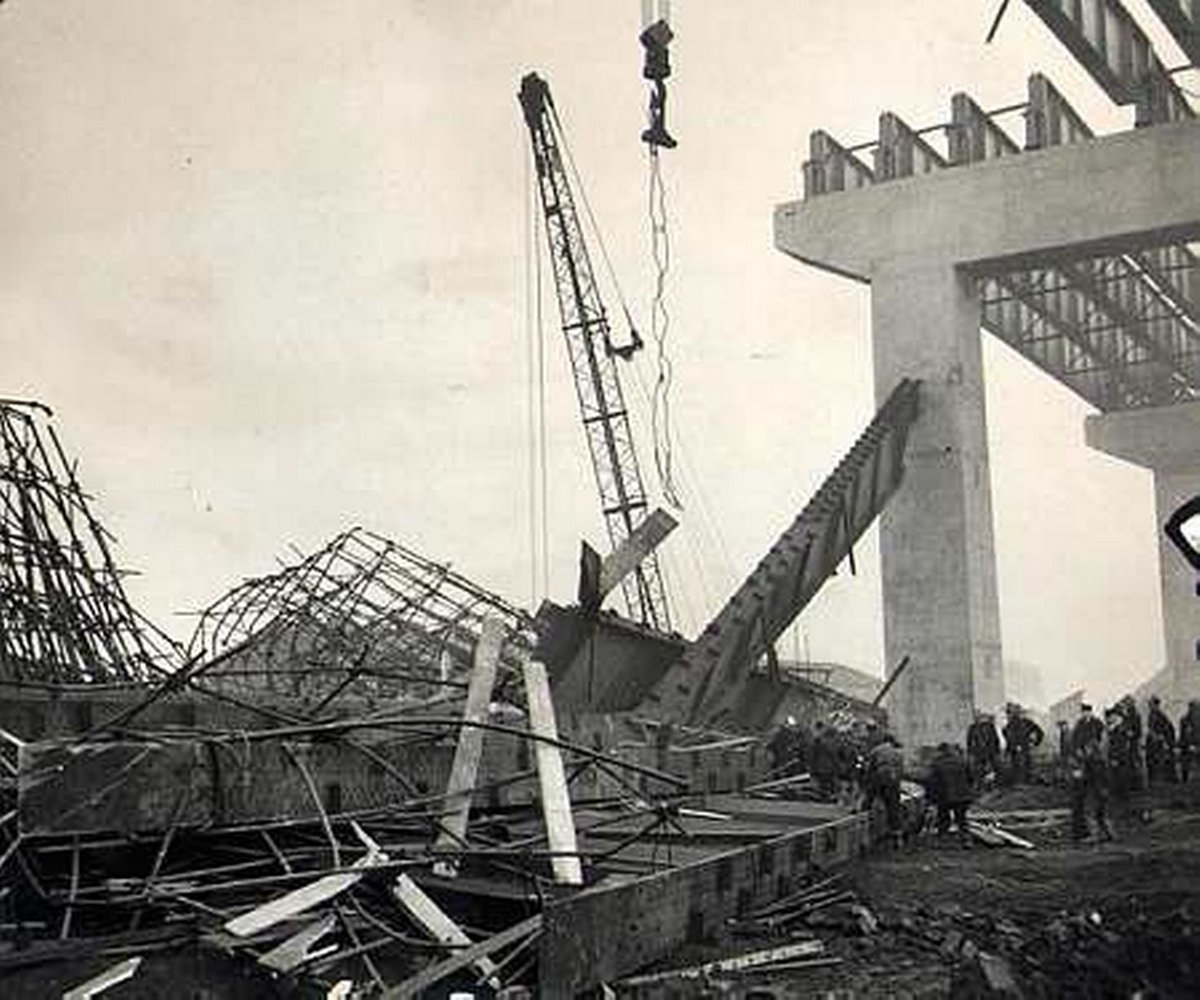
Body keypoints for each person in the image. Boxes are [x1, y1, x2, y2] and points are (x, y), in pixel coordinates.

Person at [1069, 703, 1113, 842]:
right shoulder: (1079, 725)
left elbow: (1101, 745)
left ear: (1090, 712)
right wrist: (1078, 753)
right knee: (1087, 801)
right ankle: (1097, 832)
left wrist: (1091, 752)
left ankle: (1100, 833)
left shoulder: (1097, 724)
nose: (1085, 714)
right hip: (1086, 767)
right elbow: (1074, 743)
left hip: (1095, 770)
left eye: (1087, 711)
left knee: (1096, 803)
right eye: (1083, 712)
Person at [862, 733, 905, 846]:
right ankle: (897, 836)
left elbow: (870, 767)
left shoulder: (876, 750)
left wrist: (867, 783)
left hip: (879, 777)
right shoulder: (898, 753)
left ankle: (863, 824)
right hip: (893, 780)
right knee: (894, 807)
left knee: (868, 802)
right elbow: (901, 770)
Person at [927, 742, 973, 843]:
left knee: (943, 818)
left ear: (940, 752)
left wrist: (931, 797)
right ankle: (966, 840)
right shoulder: (962, 761)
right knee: (961, 819)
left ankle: (942, 839)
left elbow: (931, 781)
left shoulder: (936, 763)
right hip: (962, 795)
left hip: (945, 796)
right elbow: (970, 778)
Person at [1002, 703, 1044, 784]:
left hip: (1024, 752)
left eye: (1010, 713)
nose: (1008, 716)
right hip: (1015, 755)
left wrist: (1035, 743)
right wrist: (1007, 752)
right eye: (1008, 713)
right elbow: (1009, 741)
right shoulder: (1007, 728)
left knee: (1025, 772)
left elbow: (1040, 732)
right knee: (1017, 773)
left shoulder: (1026, 723)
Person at [1145, 696, 1177, 785]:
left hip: (1161, 742)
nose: (1150, 706)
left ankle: (1168, 779)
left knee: (1164, 760)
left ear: (1157, 705)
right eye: (1149, 705)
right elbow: (1151, 728)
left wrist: (1162, 738)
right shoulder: (1151, 715)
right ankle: (1155, 779)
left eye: (1152, 704)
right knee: (1152, 760)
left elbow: (1168, 729)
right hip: (1154, 741)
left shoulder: (1161, 716)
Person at [966, 710, 1001, 788]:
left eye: (980, 717)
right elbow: (969, 741)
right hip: (978, 752)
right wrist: (970, 751)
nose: (979, 719)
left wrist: (996, 750)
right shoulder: (972, 728)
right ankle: (980, 783)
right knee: (979, 769)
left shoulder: (990, 727)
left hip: (989, 751)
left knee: (990, 768)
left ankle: (991, 783)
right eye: (977, 717)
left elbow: (995, 739)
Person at [809, 720, 840, 801]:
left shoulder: (816, 741)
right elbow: (833, 756)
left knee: (823, 784)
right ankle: (826, 796)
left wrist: (812, 768)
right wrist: (838, 766)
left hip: (821, 768)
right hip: (827, 768)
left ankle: (822, 796)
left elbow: (812, 756)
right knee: (827, 784)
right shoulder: (827, 743)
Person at [1180, 701, 1200, 784]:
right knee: (1185, 758)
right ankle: (1185, 778)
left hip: (1197, 744)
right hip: (1187, 745)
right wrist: (1189, 745)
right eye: (1193, 708)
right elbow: (1183, 735)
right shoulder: (1184, 720)